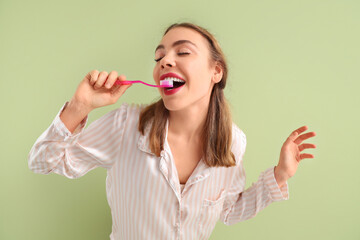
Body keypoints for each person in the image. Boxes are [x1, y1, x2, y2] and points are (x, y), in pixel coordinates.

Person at [28, 22, 316, 240]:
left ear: (216, 71)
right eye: (159, 56)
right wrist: (79, 107)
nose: (164, 61)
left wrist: (279, 175)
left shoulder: (233, 142)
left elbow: (229, 210)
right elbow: (42, 162)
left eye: (183, 51)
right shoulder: (126, 126)